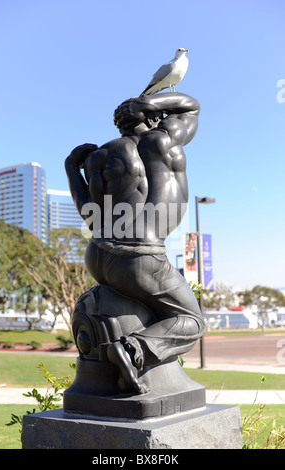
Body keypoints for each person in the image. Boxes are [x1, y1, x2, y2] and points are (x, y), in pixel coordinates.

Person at [65, 92, 204, 394]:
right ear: (153, 116)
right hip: (141, 254)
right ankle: (132, 349)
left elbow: (91, 216)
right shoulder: (163, 139)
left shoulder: (99, 157)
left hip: (99, 251)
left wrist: (70, 169)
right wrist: (153, 102)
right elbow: (192, 106)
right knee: (192, 321)